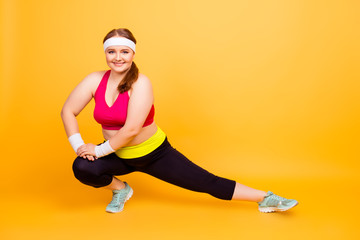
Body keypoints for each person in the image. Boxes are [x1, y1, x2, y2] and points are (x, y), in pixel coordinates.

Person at [61, 28, 298, 213]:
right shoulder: (94, 79)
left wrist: (98, 150)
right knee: (82, 167)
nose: (117, 57)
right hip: (118, 156)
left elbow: (132, 129)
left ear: (133, 53)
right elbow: (68, 111)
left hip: (154, 155)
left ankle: (265, 198)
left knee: (207, 182)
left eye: (124, 51)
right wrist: (81, 148)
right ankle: (121, 190)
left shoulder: (141, 83)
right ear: (105, 53)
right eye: (111, 51)